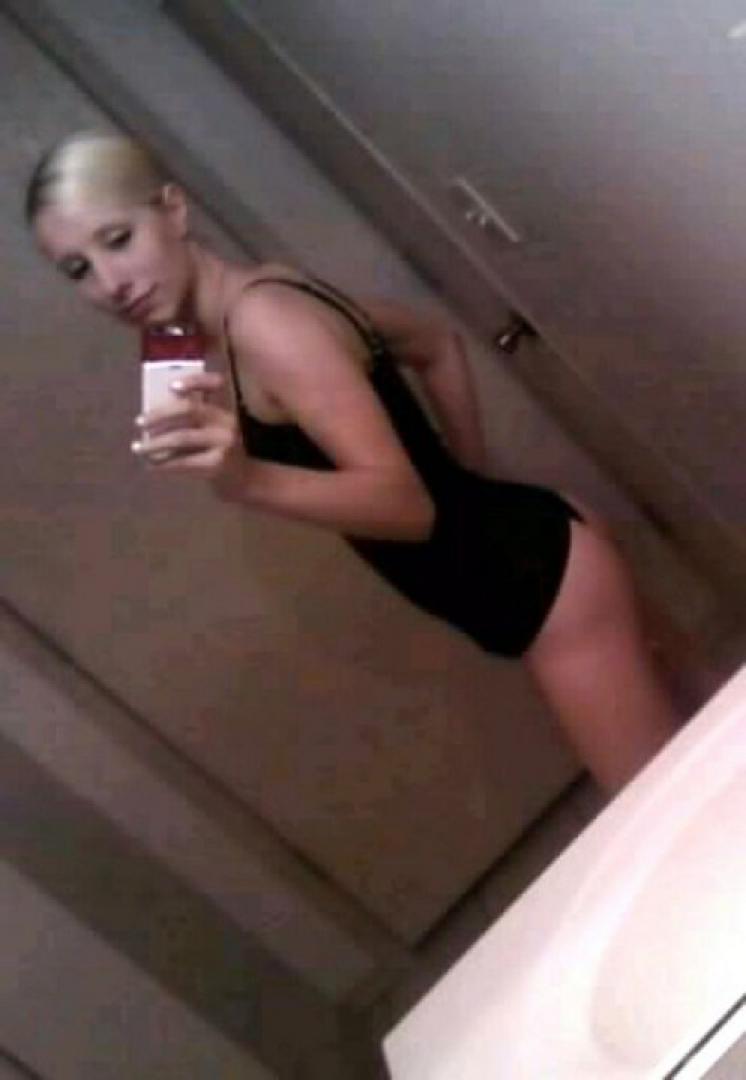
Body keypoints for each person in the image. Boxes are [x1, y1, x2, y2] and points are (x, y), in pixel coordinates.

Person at [26, 130, 681, 794]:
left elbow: (410, 508)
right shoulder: (269, 292)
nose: (110, 283)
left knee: (668, 809)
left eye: (118, 239)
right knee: (695, 774)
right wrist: (470, 484)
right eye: (78, 269)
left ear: (173, 210)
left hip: (545, 586)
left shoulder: (266, 327)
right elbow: (434, 343)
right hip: (538, 557)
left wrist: (247, 479)